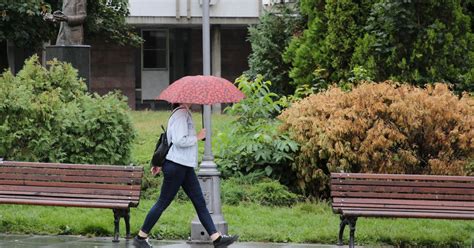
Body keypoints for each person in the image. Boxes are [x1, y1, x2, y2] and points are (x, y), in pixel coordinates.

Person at [133, 103, 238, 248]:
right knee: (163, 202)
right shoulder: (181, 114)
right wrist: (198, 136)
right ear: (182, 99)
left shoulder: (183, 113)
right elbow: (178, 140)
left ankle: (217, 239)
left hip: (184, 166)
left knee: (199, 202)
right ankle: (140, 237)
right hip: (176, 166)